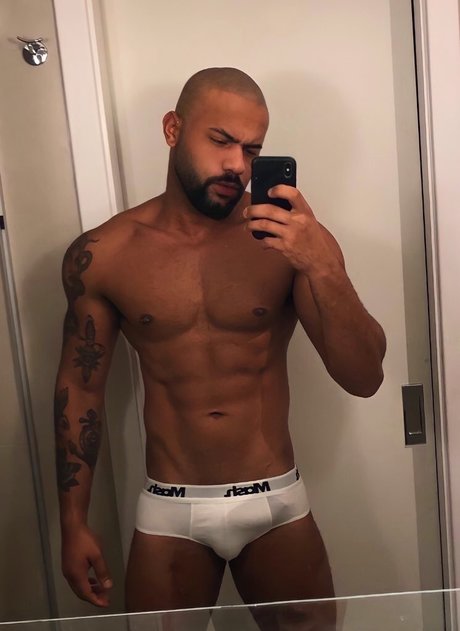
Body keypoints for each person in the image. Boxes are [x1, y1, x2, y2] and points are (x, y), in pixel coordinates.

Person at [54, 67, 386, 629]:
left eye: (252, 149)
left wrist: (323, 265)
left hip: (275, 502)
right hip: (170, 507)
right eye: (221, 141)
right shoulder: (105, 253)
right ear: (173, 129)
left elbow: (365, 377)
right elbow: (79, 391)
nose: (238, 164)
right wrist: (73, 522)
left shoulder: (290, 241)